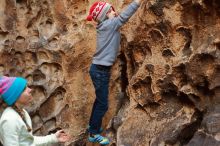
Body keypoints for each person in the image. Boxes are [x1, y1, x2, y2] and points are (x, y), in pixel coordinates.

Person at [86, 0, 144, 145]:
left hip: (98, 69)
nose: (114, 12)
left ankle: (92, 126)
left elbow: (115, 20)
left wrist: (111, 16)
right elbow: (124, 16)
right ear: (106, 16)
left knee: (99, 100)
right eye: (111, 11)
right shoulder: (110, 25)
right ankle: (93, 133)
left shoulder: (105, 25)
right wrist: (137, 3)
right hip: (100, 71)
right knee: (103, 104)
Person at [0, 76, 70, 146]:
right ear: (15, 96)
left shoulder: (22, 112)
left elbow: (29, 141)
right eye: (24, 89)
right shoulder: (9, 120)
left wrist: (54, 138)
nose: (30, 90)